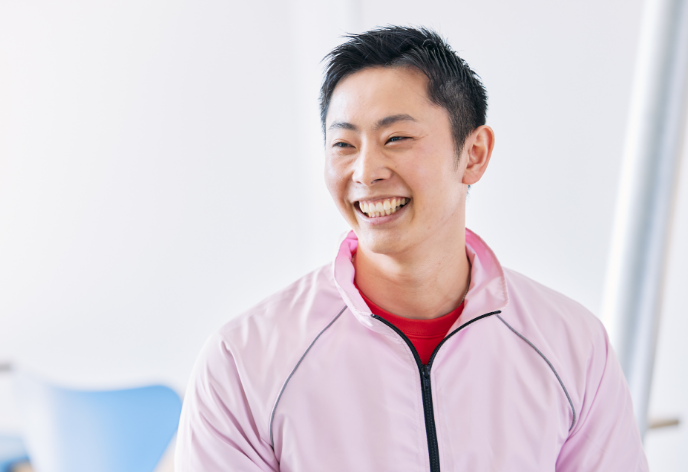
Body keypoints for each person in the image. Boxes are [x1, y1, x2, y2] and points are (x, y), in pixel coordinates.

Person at [175, 26, 648, 471]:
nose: (366, 172)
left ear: (474, 154)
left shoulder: (573, 346)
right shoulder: (242, 363)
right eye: (343, 144)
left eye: (396, 138)